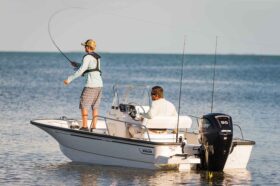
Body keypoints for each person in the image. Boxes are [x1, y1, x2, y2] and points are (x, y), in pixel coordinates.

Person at [64, 39, 103, 131]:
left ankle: (85, 127)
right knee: (95, 106)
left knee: (84, 104)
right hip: (100, 85)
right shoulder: (97, 57)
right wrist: (76, 64)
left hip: (91, 85)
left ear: (88, 47)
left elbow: (81, 70)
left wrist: (69, 79)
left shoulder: (87, 57)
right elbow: (89, 68)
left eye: (85, 46)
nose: (84, 48)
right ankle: (94, 127)